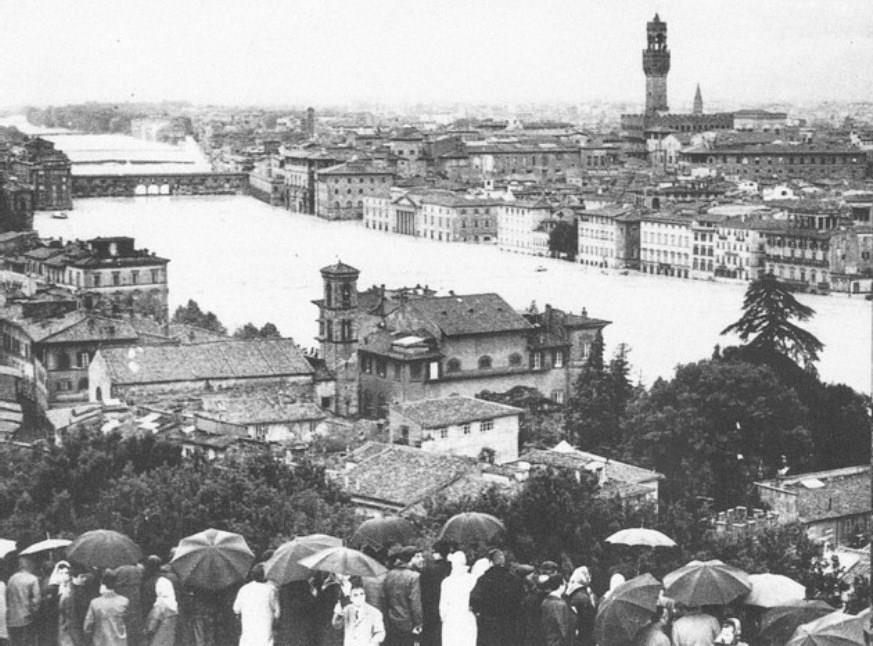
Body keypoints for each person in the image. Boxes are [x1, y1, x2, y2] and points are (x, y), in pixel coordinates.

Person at [469, 549, 524, 646]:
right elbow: (520, 599)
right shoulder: (514, 579)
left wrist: (479, 612)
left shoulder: (483, 580)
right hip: (508, 621)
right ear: (504, 561)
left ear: (491, 562)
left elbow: (474, 600)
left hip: (488, 622)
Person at [382, 547, 422, 646]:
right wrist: (418, 623)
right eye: (417, 556)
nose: (421, 559)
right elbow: (415, 603)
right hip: (407, 622)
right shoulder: (414, 576)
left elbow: (384, 598)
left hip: (391, 621)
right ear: (410, 558)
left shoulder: (389, 574)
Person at [232, 564, 279, 646]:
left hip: (249, 624)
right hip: (265, 625)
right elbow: (277, 612)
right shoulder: (271, 589)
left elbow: (236, 609)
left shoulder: (244, 589)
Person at [331, 578, 385, 646]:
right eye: (355, 595)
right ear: (351, 598)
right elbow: (336, 625)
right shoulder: (347, 609)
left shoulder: (375, 613)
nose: (360, 597)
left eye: (362, 594)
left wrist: (373, 642)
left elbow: (380, 633)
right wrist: (339, 610)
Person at [438, 551, 475, 646]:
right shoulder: (472, 579)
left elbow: (443, 605)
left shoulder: (447, 582)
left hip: (451, 618)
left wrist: (444, 617)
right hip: (467, 617)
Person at [84, 570, 130, 646]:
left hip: (100, 641)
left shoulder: (95, 603)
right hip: (120, 642)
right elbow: (129, 622)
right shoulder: (124, 601)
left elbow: (87, 626)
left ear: (102, 585)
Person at [419, 544, 450, 646]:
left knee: (430, 634)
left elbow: (422, 589)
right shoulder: (451, 568)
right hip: (447, 606)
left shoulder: (428, 569)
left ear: (438, 553)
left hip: (430, 605)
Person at [6, 556, 41, 646]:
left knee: (16, 643)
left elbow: (8, 597)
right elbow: (37, 600)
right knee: (29, 642)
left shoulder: (11, 579)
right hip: (26, 618)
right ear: (30, 565)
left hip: (12, 618)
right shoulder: (33, 579)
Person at [563, 567, 596, 646]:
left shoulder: (571, 592)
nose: (590, 577)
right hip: (583, 635)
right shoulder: (583, 597)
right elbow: (587, 619)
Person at [540, 574, 574, 646]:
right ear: (560, 585)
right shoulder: (561, 604)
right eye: (564, 583)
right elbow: (563, 628)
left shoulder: (545, 601)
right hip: (558, 642)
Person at [144, 577, 177, 646]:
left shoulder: (160, 604)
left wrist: (146, 630)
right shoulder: (173, 604)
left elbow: (152, 625)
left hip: (158, 640)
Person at [50, 561, 76, 646]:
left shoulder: (72, 586)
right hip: (60, 616)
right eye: (61, 573)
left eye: (66, 573)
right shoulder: (54, 587)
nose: (64, 575)